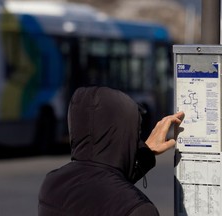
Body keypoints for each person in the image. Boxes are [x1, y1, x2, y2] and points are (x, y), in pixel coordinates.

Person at [38, 86, 185, 216]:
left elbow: (98, 187)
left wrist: (145, 153)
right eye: (136, 131)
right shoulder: (138, 209)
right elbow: (110, 192)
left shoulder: (51, 185)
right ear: (125, 134)